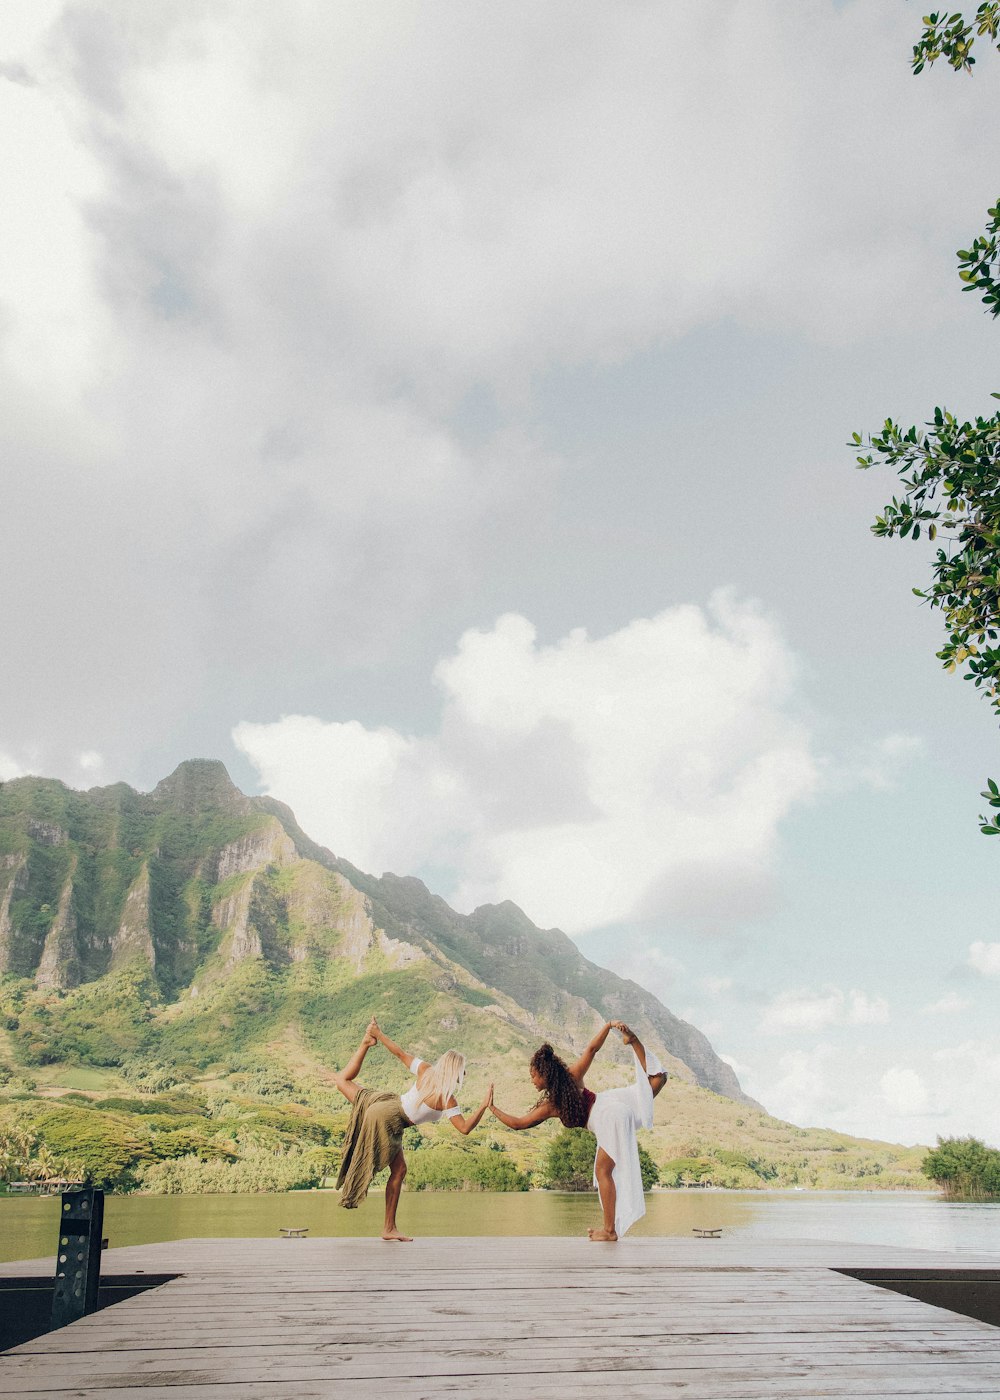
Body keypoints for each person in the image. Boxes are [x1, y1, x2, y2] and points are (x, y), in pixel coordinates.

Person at [489, 1021, 667, 1242]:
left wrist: (492, 1108)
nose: (531, 1080)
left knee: (602, 1172)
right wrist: (608, 1026)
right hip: (611, 1103)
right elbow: (592, 1050)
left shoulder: (551, 1105)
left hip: (607, 1116)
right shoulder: (571, 1077)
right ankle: (634, 1042)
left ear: (545, 1074)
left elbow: (518, 1123)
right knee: (656, 1081)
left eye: (533, 1075)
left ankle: (609, 1231)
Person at [330, 1017, 492, 1241]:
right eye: (462, 1071)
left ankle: (366, 1043)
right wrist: (484, 1106)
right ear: (455, 1071)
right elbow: (464, 1128)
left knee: (342, 1081)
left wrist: (378, 1034)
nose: (463, 1076)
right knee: (398, 1171)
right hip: (390, 1118)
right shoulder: (448, 1099)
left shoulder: (425, 1070)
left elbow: (399, 1053)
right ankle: (388, 1228)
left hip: (386, 1103)